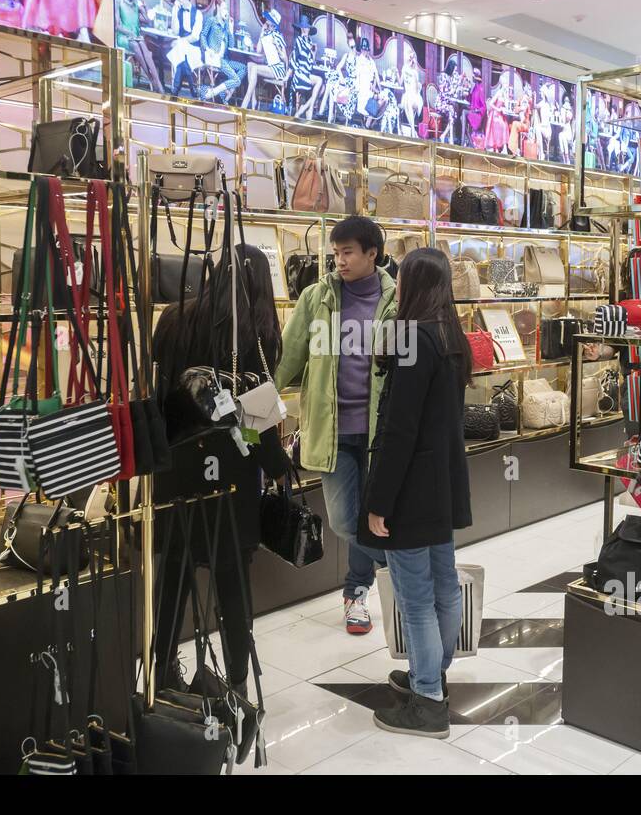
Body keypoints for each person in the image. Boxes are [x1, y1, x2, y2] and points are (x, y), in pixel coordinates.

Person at [152, 245, 288, 695]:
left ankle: (162, 673)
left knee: (173, 575)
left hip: (176, 469)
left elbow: (158, 397)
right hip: (233, 472)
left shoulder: (173, 319)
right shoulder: (259, 335)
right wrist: (278, 465)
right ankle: (236, 683)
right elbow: (259, 418)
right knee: (232, 583)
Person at [360, 248, 473, 737]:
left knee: (416, 595)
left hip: (409, 487)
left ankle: (427, 698)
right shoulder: (452, 337)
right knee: (443, 584)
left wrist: (380, 500)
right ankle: (434, 674)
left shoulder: (413, 338)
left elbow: (399, 429)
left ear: (413, 285)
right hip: (443, 483)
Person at [276, 216, 397, 634]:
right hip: (331, 429)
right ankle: (399, 569)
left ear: (371, 254)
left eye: (347, 253)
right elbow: (290, 354)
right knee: (346, 521)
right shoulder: (316, 298)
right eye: (335, 253)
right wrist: (263, 398)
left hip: (380, 432)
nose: (339, 261)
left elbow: (406, 365)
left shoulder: (395, 301)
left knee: (375, 516)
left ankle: (356, 594)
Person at [116, 0, 163, 92]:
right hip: (124, 36)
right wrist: (130, 33)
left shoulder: (136, 5)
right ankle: (152, 80)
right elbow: (117, 26)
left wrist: (144, 8)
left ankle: (158, 83)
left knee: (144, 47)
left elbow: (147, 20)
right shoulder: (119, 2)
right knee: (136, 45)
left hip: (136, 36)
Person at [199, 0, 245, 103]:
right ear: (217, 7)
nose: (226, 10)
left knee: (243, 68)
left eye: (226, 8)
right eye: (223, 8)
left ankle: (220, 92)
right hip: (215, 58)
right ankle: (217, 93)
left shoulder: (225, 26)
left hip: (224, 60)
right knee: (236, 80)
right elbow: (202, 35)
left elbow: (231, 45)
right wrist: (207, 49)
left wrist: (230, 28)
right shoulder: (211, 21)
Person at [241, 9, 289, 110]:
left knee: (254, 69)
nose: (266, 20)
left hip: (278, 69)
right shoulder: (266, 34)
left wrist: (278, 49)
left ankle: (247, 99)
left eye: (269, 19)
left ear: (273, 23)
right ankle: (253, 100)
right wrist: (261, 33)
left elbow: (285, 58)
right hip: (269, 67)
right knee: (250, 64)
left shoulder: (278, 36)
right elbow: (258, 51)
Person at [166, 0, 203, 98]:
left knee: (180, 48)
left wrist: (180, 41)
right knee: (182, 53)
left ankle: (175, 89)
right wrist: (174, 12)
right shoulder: (179, 10)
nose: (178, 0)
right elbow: (175, 31)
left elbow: (195, 37)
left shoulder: (198, 14)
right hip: (182, 49)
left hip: (194, 49)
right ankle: (192, 87)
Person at [290, 15, 323, 119]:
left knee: (323, 87)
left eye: (307, 28)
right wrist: (288, 75)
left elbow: (311, 63)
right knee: (320, 81)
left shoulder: (309, 42)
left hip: (307, 73)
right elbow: (294, 59)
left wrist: (314, 52)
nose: (306, 30)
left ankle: (302, 112)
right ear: (301, 29)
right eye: (304, 28)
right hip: (300, 74)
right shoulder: (299, 40)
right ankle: (309, 110)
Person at [353, 36, 380, 128]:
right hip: (362, 88)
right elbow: (356, 76)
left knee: (382, 99)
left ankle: (368, 124)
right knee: (370, 103)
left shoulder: (371, 61)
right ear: (361, 49)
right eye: (363, 49)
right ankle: (367, 125)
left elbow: (375, 75)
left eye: (367, 50)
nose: (365, 51)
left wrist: (377, 87)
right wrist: (357, 89)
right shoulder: (358, 60)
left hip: (370, 88)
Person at [484, 71, 511, 152]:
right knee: (502, 125)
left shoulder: (505, 94)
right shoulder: (499, 93)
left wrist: (506, 97)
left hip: (501, 115)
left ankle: (504, 147)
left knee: (505, 125)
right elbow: (491, 103)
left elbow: (506, 105)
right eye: (506, 84)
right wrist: (498, 109)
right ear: (502, 84)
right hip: (495, 115)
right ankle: (498, 146)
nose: (507, 86)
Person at [400, 46, 423, 137]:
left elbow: (417, 89)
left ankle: (413, 131)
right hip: (407, 96)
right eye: (410, 58)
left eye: (412, 59)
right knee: (407, 101)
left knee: (409, 101)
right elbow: (400, 82)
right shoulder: (404, 68)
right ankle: (413, 132)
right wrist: (397, 73)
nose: (411, 61)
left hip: (415, 97)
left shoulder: (415, 72)